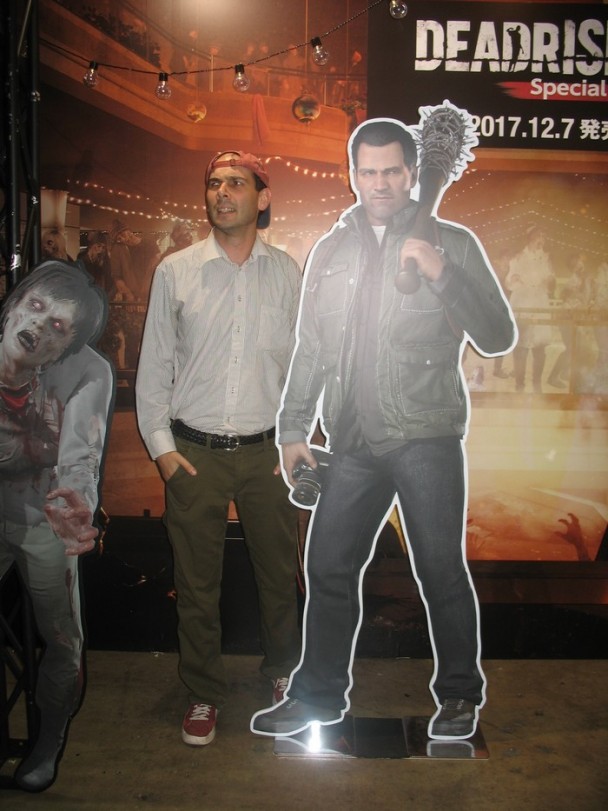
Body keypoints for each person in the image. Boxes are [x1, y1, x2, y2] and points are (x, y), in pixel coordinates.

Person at [251, 118, 517, 742]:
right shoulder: (331, 252)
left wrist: (441, 272)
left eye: (392, 171)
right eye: (368, 172)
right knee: (327, 568)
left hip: (425, 437)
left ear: (411, 173)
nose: (379, 183)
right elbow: (312, 348)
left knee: (440, 571)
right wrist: (292, 429)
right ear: (352, 175)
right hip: (351, 440)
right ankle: (317, 697)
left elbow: (498, 335)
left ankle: (459, 696)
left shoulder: (450, 241)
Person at [136, 150, 302, 747]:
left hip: (266, 454)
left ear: (263, 198)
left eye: (236, 182)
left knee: (279, 576)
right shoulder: (175, 271)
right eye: (213, 183)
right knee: (196, 583)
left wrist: (297, 439)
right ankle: (204, 690)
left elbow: (303, 365)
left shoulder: (287, 272)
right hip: (193, 453)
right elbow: (155, 363)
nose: (222, 192)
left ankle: (283, 672)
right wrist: (161, 449)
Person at [0, 261, 114, 791]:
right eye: (37, 306)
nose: (39, 325)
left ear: (69, 345)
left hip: (42, 516)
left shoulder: (89, 371)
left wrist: (76, 506)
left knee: (62, 638)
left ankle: (49, 739)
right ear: (16, 303)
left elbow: (80, 457)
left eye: (60, 326)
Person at [505, 225, 554, 393]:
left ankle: (537, 385)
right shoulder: (518, 258)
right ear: (531, 238)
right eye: (539, 236)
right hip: (523, 305)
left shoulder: (545, 259)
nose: (542, 240)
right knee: (521, 348)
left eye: (544, 237)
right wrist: (514, 279)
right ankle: (520, 385)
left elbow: (549, 283)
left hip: (539, 304)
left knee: (540, 348)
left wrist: (549, 281)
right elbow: (509, 282)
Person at [75, 230, 116, 300]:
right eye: (98, 246)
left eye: (103, 247)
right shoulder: (82, 257)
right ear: (92, 245)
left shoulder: (104, 259)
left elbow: (108, 278)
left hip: (100, 294)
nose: (100, 249)